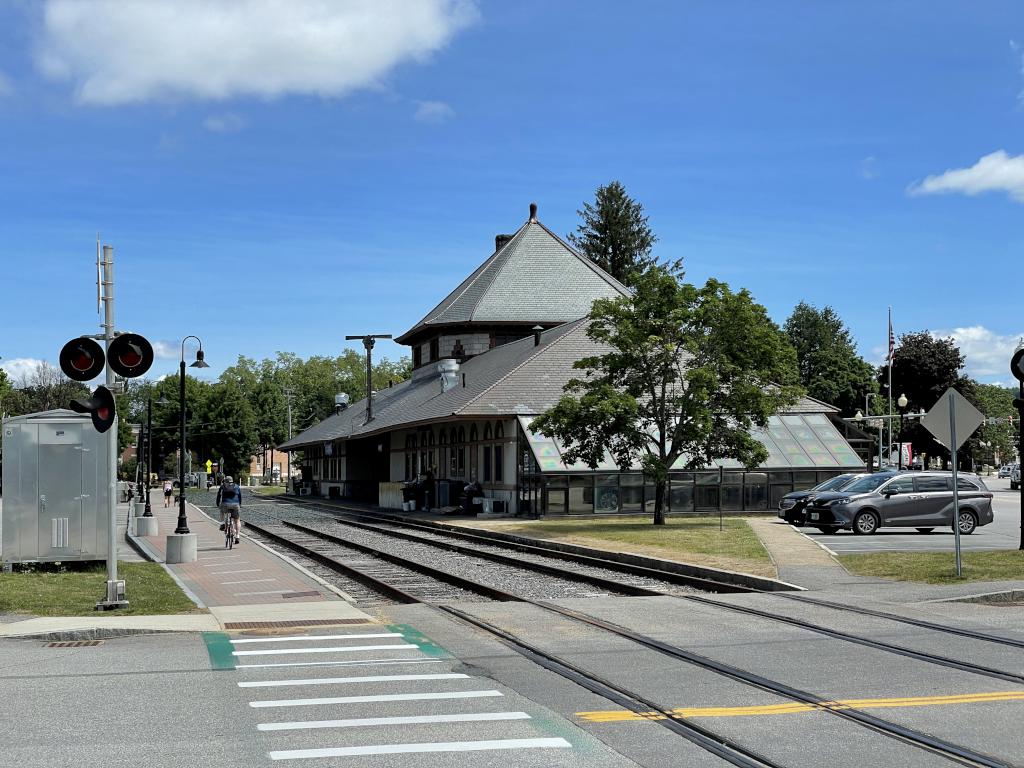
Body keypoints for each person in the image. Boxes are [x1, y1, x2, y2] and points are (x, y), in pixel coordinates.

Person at [216, 476, 242, 544]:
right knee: (237, 520)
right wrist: (240, 505)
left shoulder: (222, 486)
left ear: (225, 481)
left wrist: (218, 504)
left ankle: (222, 524)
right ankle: (237, 536)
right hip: (236, 505)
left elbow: (219, 496)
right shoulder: (236, 486)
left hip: (225, 504)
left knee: (221, 510)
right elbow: (240, 497)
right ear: (232, 480)